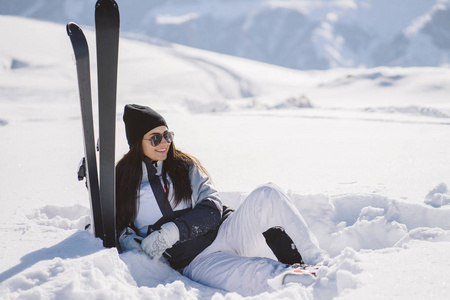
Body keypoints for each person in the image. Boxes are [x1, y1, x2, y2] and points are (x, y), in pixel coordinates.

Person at [116, 104, 328, 296]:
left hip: (229, 231)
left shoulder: (184, 166)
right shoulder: (123, 183)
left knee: (267, 193)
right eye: (155, 138)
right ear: (137, 142)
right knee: (261, 275)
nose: (164, 143)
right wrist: (128, 240)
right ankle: (307, 283)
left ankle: (320, 265)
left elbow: (212, 208)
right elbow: (112, 225)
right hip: (199, 261)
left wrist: (171, 233)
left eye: (167, 135)